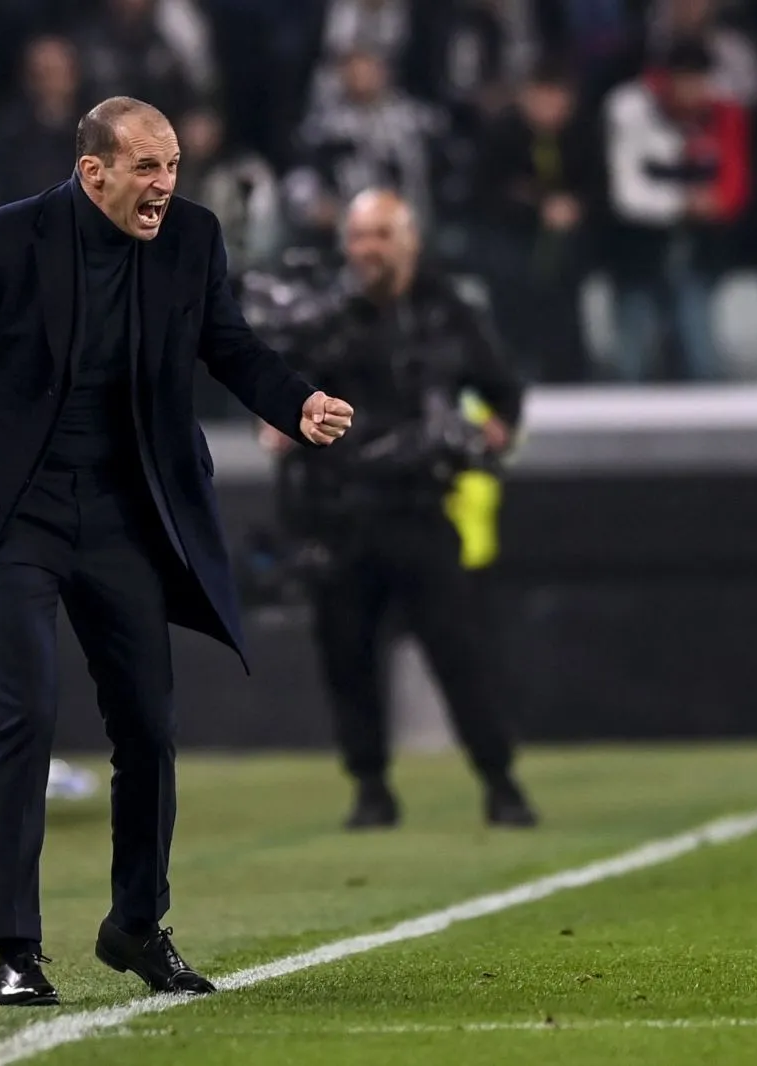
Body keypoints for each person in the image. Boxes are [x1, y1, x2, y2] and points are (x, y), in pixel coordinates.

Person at [0, 96, 354, 1007]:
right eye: (147, 167)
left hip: (122, 513)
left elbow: (228, 345)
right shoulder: (0, 243)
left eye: (173, 166)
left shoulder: (193, 238)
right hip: (15, 511)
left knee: (147, 724)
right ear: (92, 170)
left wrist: (295, 402)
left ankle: (137, 925)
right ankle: (16, 947)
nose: (165, 185)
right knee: (26, 712)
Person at [259, 189, 537, 832]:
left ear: (410, 241)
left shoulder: (448, 311)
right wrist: (279, 417)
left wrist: (492, 431)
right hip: (339, 511)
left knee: (460, 653)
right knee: (347, 657)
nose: (369, 250)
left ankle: (499, 779)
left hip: (417, 504)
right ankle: (370, 786)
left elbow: (502, 391)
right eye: (359, 237)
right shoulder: (322, 316)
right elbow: (274, 385)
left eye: (381, 235)